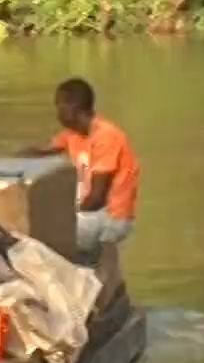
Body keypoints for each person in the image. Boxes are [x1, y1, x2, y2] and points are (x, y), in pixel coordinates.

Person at [22, 78, 140, 255]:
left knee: (48, 235)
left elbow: (97, 198)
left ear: (72, 108)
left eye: (59, 106)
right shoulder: (73, 134)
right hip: (91, 213)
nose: (57, 113)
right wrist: (16, 156)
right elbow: (45, 148)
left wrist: (66, 218)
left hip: (111, 217)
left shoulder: (106, 136)